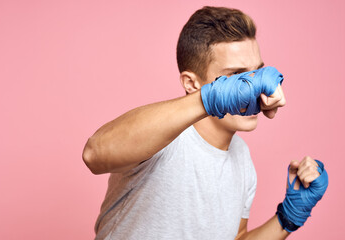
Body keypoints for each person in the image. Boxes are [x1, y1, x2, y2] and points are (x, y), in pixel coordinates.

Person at [82, 6, 328, 240]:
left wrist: (289, 216)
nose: (255, 88)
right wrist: (210, 98)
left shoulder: (241, 157)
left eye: (257, 73)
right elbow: (94, 153)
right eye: (237, 77)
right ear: (191, 83)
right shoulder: (162, 135)